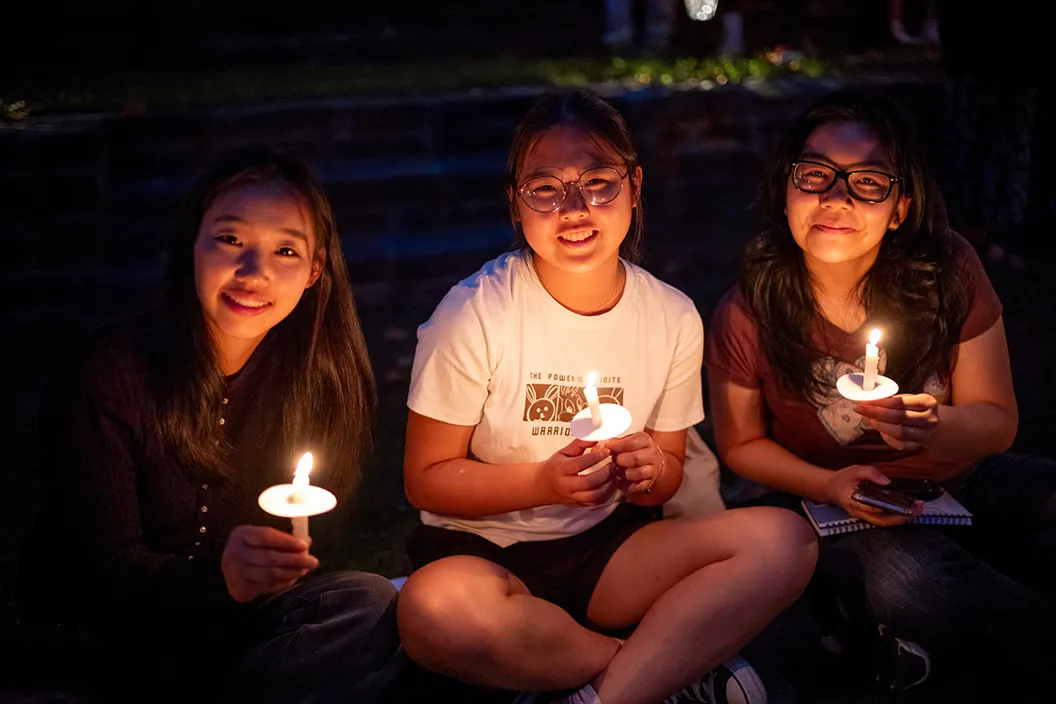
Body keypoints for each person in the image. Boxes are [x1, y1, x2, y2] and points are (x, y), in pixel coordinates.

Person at [395, 88, 818, 704]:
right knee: (434, 612)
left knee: (786, 542)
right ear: (516, 203)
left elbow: (667, 475)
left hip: (606, 552)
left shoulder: (670, 316)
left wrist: (649, 470)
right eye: (545, 189)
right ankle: (655, 667)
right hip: (484, 552)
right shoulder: (475, 313)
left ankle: (588, 689)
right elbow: (426, 479)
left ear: (634, 186)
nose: (574, 209)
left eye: (598, 182)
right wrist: (543, 484)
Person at [706, 90, 1056, 700]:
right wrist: (828, 485)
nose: (836, 198)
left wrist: (933, 427)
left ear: (899, 208)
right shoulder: (748, 310)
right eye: (816, 174)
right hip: (841, 509)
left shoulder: (948, 269)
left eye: (868, 181)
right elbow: (741, 445)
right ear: (787, 190)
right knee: (913, 581)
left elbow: (997, 423)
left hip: (962, 480)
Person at [18, 148, 404, 702]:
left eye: (286, 250)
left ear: (314, 270)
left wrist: (267, 576)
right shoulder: (109, 376)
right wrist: (220, 580)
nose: (254, 272)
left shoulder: (318, 381)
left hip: (238, 634)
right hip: (107, 643)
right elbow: (96, 578)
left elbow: (314, 553)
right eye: (230, 240)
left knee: (370, 604)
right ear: (191, 245)